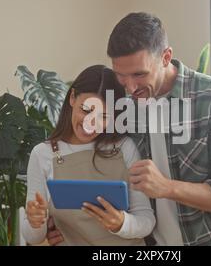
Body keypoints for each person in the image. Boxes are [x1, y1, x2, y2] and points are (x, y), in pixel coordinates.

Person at [48, 12, 211, 246]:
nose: (130, 87)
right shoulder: (125, 108)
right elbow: (97, 166)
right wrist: (65, 223)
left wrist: (167, 188)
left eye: (139, 74)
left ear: (165, 57)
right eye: (121, 75)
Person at [22, 65, 156, 246]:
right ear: (72, 98)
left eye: (103, 116)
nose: (90, 123)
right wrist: (35, 221)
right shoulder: (42, 154)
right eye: (86, 110)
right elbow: (33, 237)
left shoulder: (125, 147)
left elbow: (147, 220)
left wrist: (121, 223)